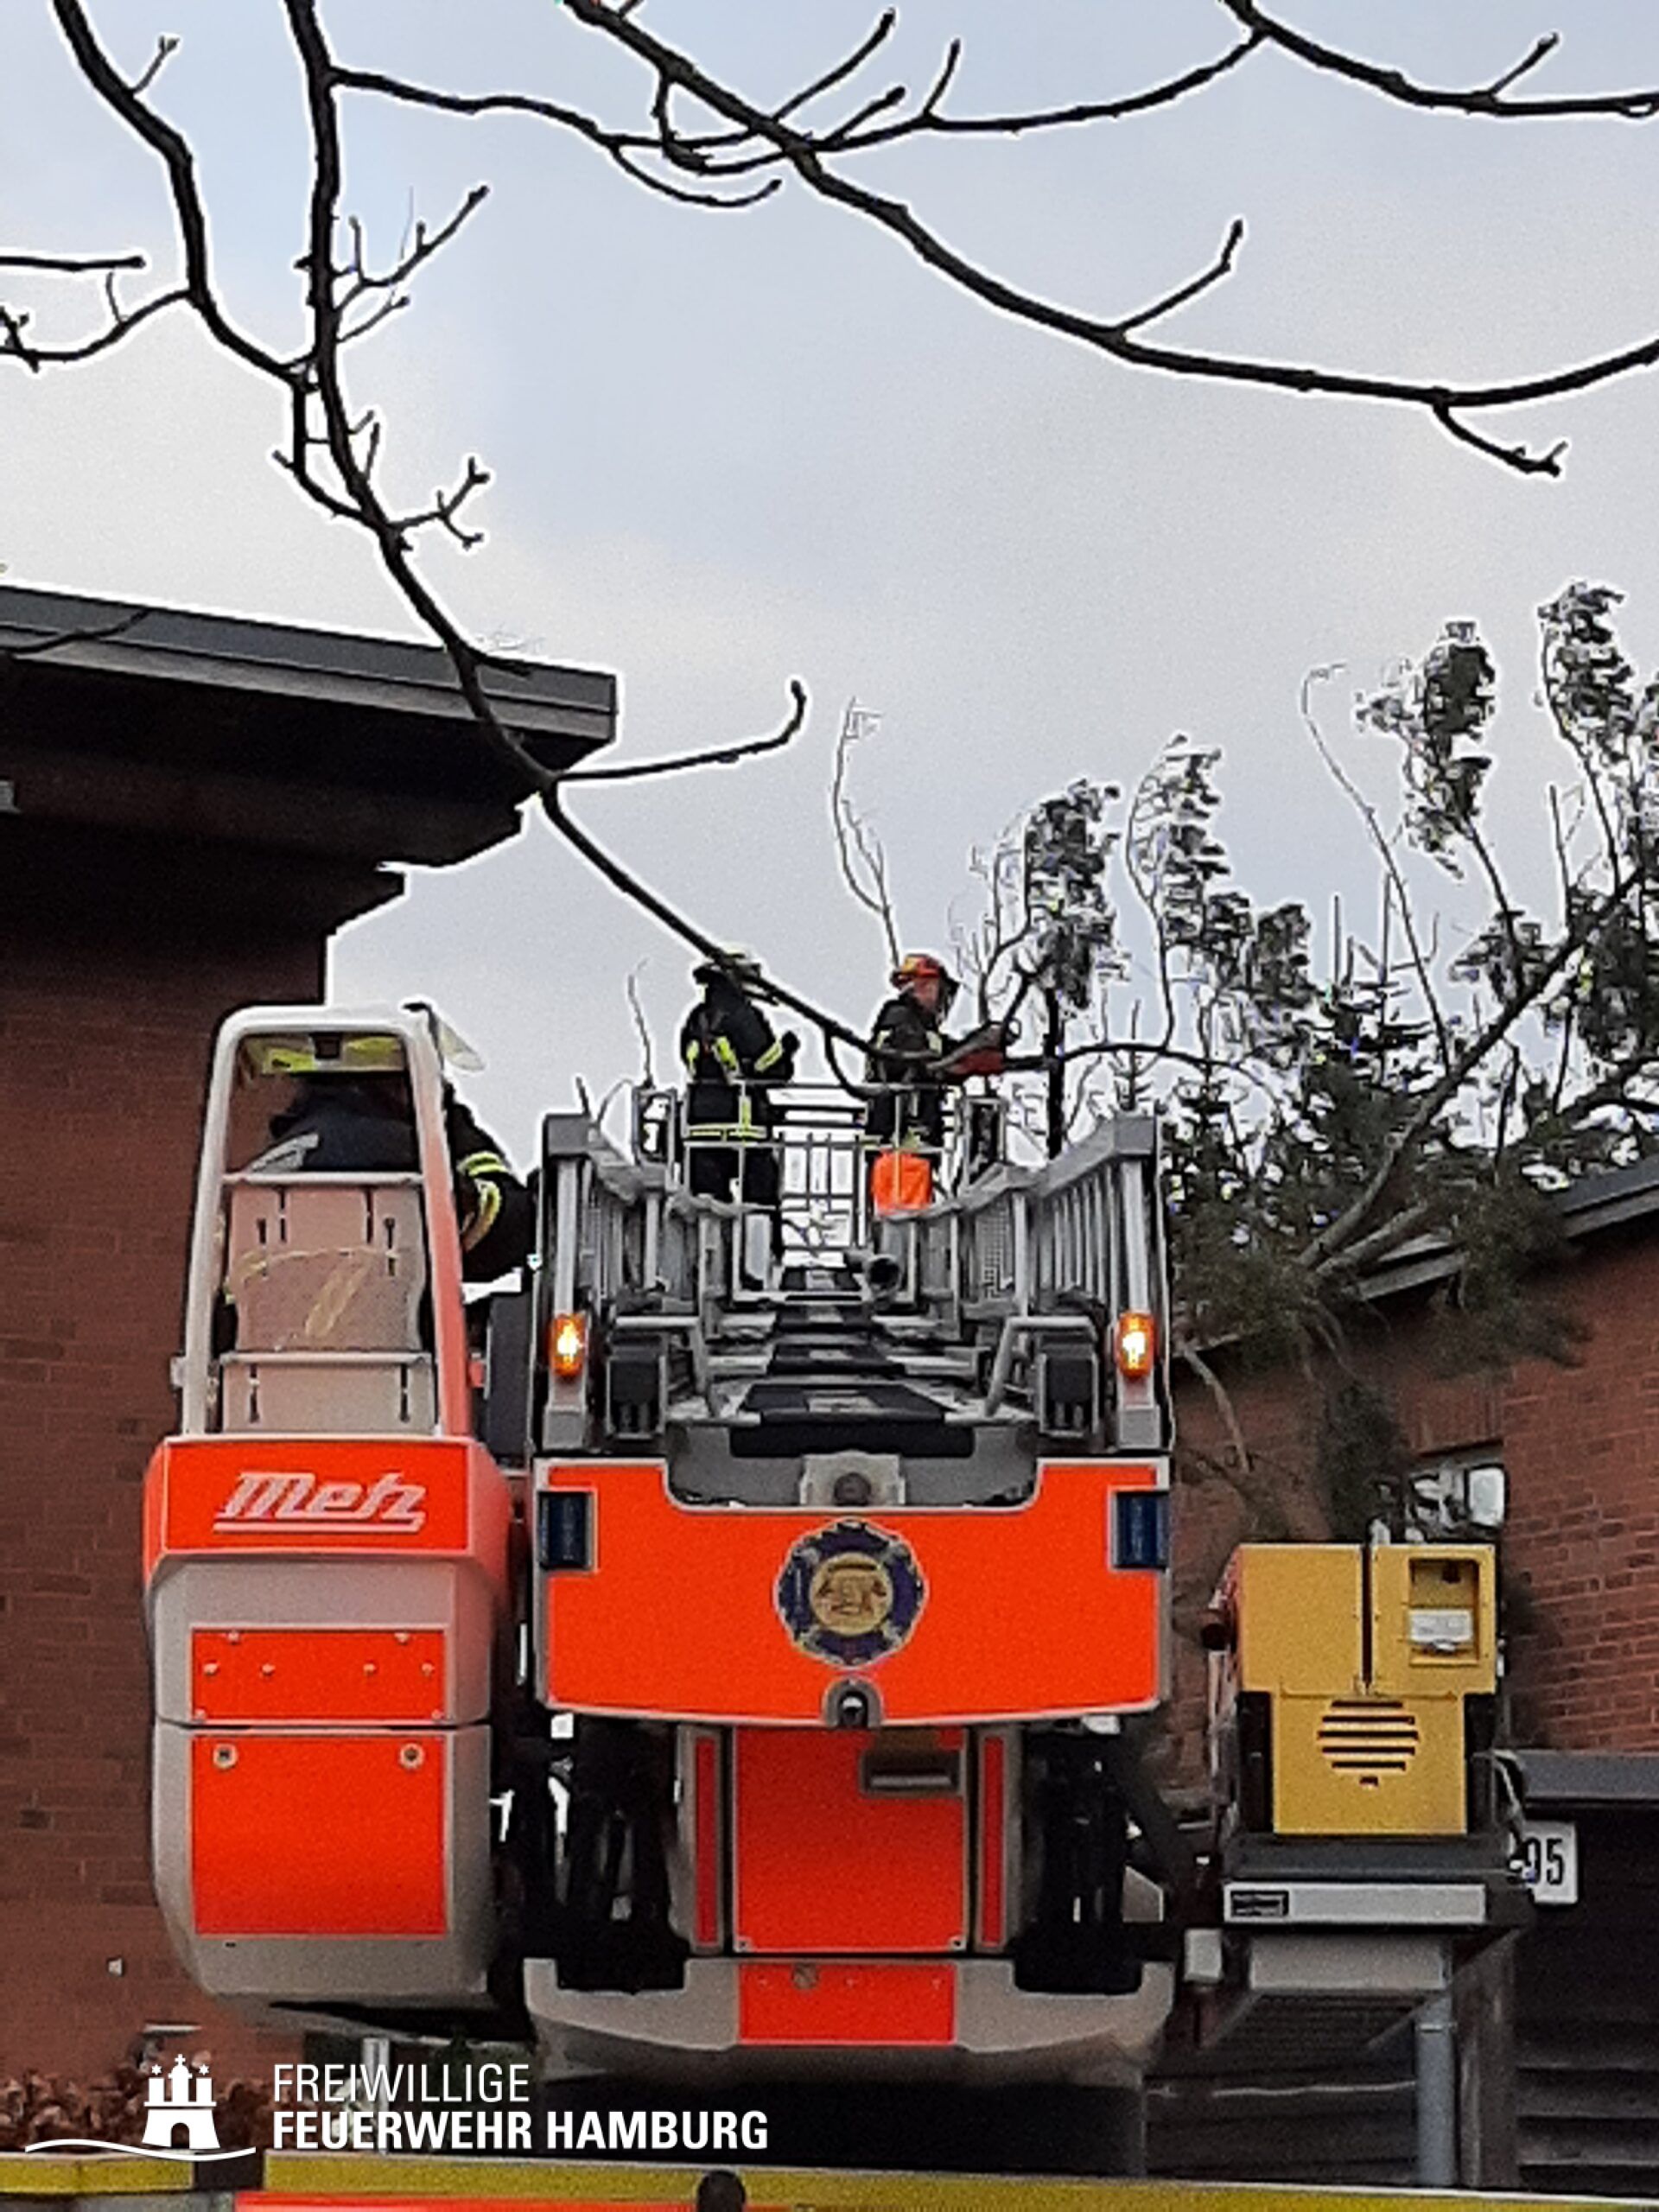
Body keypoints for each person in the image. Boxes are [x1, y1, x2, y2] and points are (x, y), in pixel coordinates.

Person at [245, 1031, 533, 1281]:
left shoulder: (279, 1158)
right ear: (398, 1084)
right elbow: (507, 1230)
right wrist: (456, 1130)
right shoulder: (397, 1153)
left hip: (267, 1321)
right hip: (375, 1320)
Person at [678, 951, 798, 1230]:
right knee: (761, 1205)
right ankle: (759, 1253)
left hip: (699, 1129)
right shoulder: (745, 1016)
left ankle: (712, 1253)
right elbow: (771, 1069)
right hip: (743, 1129)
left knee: (708, 1208)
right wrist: (787, 1050)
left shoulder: (696, 1018)